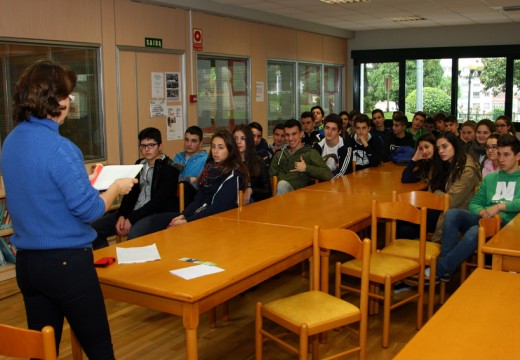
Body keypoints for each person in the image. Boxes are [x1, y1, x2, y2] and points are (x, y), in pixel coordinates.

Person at [1, 59, 137, 359]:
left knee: (42, 349)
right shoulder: (61, 148)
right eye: (68, 96)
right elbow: (89, 211)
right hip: (66, 265)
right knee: (99, 348)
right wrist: (115, 188)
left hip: (28, 265)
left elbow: (41, 192)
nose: (70, 102)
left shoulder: (10, 142)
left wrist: (82, 182)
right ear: (56, 101)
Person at [432, 134, 520, 282]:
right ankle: (446, 269)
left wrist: (499, 206)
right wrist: (482, 211)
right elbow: (474, 202)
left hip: (508, 225)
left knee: (476, 230)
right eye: (499, 154)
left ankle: (441, 268)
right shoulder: (492, 178)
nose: (501, 159)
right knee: (452, 214)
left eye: (506, 155)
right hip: (484, 218)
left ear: (518, 156)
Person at [129, 130, 248, 236]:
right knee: (159, 225)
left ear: (230, 150)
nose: (215, 151)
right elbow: (199, 198)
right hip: (200, 216)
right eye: (213, 146)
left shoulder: (234, 174)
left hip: (217, 223)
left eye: (221, 147)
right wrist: (183, 215)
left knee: (167, 232)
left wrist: (187, 221)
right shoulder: (210, 167)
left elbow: (217, 208)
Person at [92, 127, 179, 248]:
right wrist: (122, 215)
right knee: (94, 229)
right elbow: (130, 195)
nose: (146, 149)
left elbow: (158, 202)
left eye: (151, 145)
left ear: (160, 146)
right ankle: (109, 261)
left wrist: (131, 219)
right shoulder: (139, 164)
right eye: (143, 146)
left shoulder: (171, 168)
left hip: (156, 213)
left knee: (134, 235)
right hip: (134, 212)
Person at [428, 132, 482, 242]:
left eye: (445, 146)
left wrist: (436, 192)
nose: (441, 151)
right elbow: (430, 189)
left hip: (457, 214)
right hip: (440, 209)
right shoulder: (443, 163)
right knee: (405, 219)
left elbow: (450, 201)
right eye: (438, 148)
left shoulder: (467, 169)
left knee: (406, 227)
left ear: (455, 146)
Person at [269, 119, 333, 195]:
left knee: (282, 185)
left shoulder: (310, 153)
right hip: (279, 194)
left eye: (294, 134)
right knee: (281, 185)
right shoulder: (280, 154)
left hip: (301, 197)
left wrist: (306, 168)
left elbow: (328, 175)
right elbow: (271, 177)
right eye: (287, 135)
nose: (291, 138)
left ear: (301, 134)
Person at [233, 124, 271, 204]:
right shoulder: (229, 162)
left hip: (254, 204)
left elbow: (267, 192)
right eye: (235, 139)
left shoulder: (259, 162)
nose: (238, 142)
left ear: (249, 141)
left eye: (243, 138)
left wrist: (251, 190)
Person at [172, 125, 208, 205]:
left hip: (194, 200)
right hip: (175, 198)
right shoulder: (177, 158)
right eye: (187, 140)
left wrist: (186, 180)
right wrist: (189, 179)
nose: (189, 144)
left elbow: (200, 183)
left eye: (193, 141)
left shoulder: (206, 160)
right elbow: (170, 179)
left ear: (201, 143)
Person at [313, 113, 353, 178]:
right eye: (327, 128)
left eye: (333, 129)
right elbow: (314, 169)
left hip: (340, 182)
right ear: (323, 128)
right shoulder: (317, 146)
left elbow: (343, 172)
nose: (329, 132)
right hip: (322, 181)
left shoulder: (346, 147)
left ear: (339, 131)